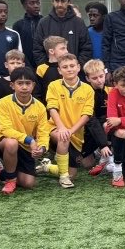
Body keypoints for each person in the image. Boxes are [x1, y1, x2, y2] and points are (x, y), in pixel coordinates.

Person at [0, 67, 52, 194]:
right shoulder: (3, 102)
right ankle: (10, 180)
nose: (24, 87)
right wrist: (29, 140)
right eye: (20, 83)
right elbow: (6, 129)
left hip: (26, 146)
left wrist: (42, 148)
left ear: (33, 85)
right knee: (11, 143)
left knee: (28, 183)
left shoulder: (40, 107)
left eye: (28, 83)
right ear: (12, 85)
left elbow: (43, 132)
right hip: (5, 140)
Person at [45, 52, 94, 188]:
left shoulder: (88, 89)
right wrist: (61, 128)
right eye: (65, 67)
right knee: (63, 138)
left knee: (72, 174)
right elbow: (52, 108)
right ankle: (63, 178)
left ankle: (48, 167)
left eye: (72, 66)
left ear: (78, 67)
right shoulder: (53, 86)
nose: (69, 69)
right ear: (59, 70)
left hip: (75, 133)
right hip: (55, 128)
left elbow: (86, 115)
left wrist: (71, 131)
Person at [13, 0, 43, 69]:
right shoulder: (18, 25)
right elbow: (17, 48)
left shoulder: (45, 22)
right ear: (24, 6)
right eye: (32, 3)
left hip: (44, 65)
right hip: (25, 66)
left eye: (38, 3)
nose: (36, 6)